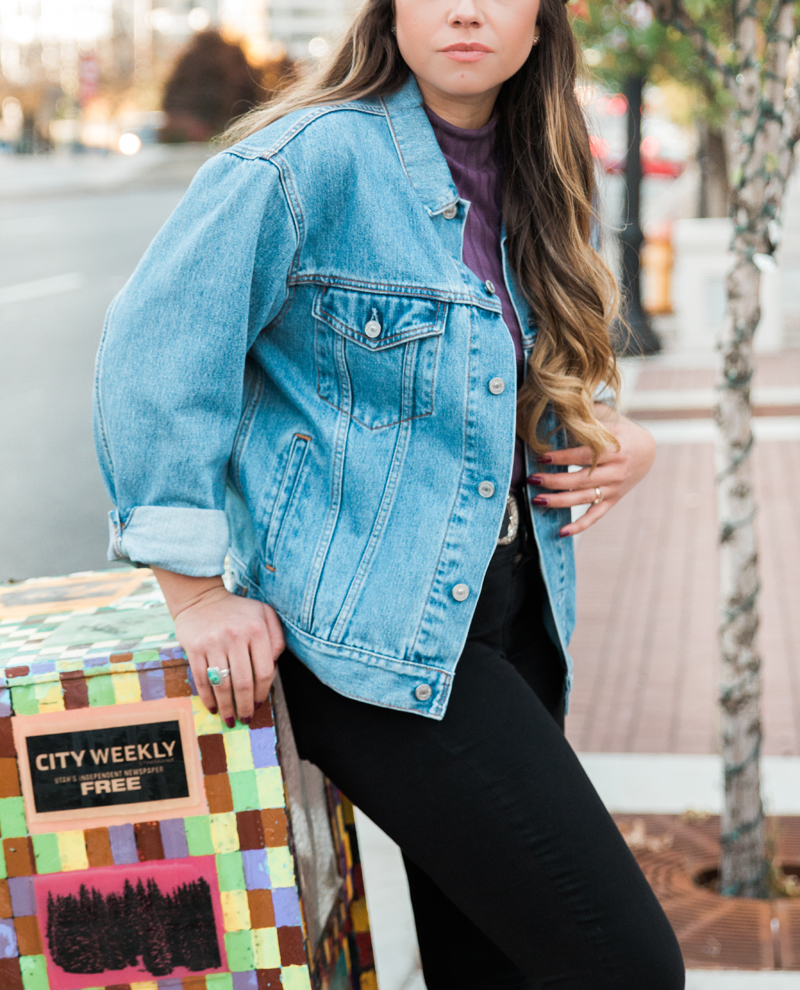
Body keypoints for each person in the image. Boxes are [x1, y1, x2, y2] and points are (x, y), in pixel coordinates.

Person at [94, 1, 684, 987]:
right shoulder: (308, 161)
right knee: (621, 962)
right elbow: (153, 358)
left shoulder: (542, 164)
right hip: (368, 635)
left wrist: (622, 437)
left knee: (489, 962)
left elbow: (505, 380)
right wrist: (192, 591)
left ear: (540, 24)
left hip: (514, 608)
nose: (463, 9)